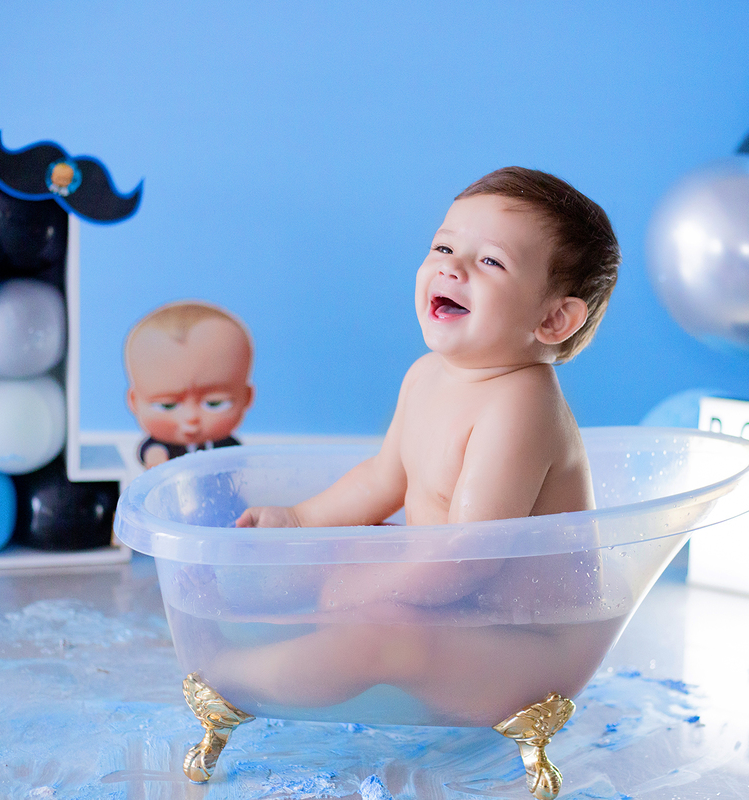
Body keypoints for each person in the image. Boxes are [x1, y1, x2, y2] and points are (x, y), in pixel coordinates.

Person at [209, 167, 622, 727]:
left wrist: (360, 594)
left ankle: (226, 677)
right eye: (444, 246)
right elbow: (383, 480)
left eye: (490, 261)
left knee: (381, 629)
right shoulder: (428, 374)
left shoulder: (522, 406)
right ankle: (266, 633)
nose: (451, 267)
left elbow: (464, 555)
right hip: (458, 609)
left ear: (553, 319)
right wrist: (298, 520)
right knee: (341, 549)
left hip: (522, 648)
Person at [124, 301, 254, 468]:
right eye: (167, 405)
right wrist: (155, 457)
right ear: (134, 401)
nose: (191, 417)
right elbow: (149, 450)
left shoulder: (227, 447)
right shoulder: (160, 447)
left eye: (214, 403)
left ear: (247, 397)